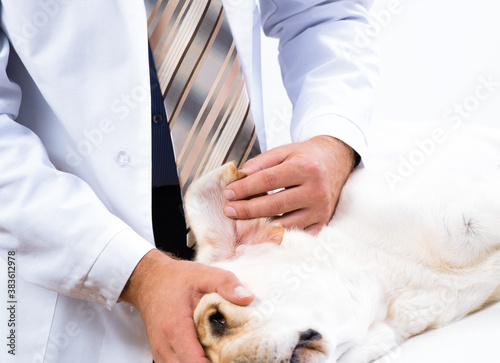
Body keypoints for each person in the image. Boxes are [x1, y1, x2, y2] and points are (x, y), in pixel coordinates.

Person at [0, 1, 377, 362]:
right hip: (80, 263)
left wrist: (332, 141)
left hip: (259, 273)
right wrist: (137, 274)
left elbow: (325, 13)